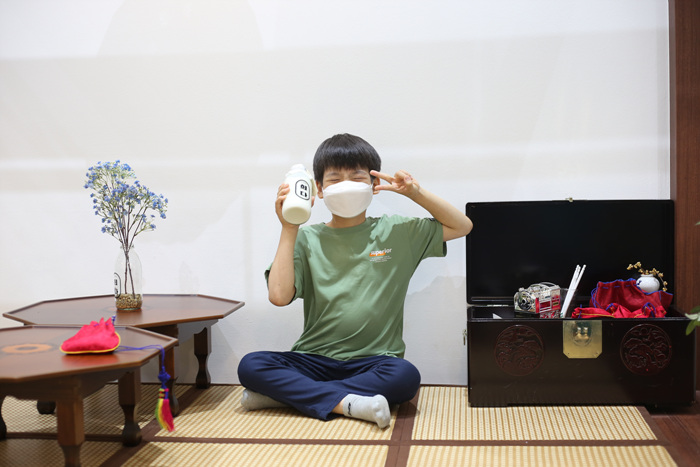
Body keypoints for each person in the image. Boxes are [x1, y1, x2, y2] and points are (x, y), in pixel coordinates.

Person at [237, 133, 473, 428]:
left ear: (374, 185)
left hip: (375, 361)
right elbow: (279, 296)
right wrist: (289, 227)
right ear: (319, 189)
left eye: (357, 177)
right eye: (335, 179)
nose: (346, 185)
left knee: (405, 377)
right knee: (252, 365)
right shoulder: (306, 238)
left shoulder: (397, 232)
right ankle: (349, 403)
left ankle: (287, 397)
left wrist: (415, 193)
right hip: (313, 359)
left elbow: (462, 226)